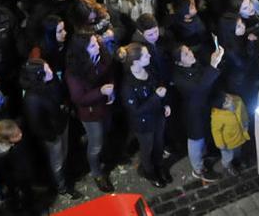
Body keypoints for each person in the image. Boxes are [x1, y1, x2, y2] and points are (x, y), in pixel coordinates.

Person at [20, 59, 82, 199]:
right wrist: (52, 136)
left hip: (61, 124)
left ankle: (66, 175)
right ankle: (62, 186)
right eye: (47, 69)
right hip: (53, 135)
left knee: (63, 154)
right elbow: (36, 125)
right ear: (38, 75)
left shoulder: (50, 81)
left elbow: (60, 95)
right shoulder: (31, 99)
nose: (50, 70)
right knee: (57, 162)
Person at [64, 33, 115, 193]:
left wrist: (111, 91)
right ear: (82, 51)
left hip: (105, 106)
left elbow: (109, 73)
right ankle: (97, 173)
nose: (98, 47)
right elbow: (78, 98)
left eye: (96, 43)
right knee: (95, 144)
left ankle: (106, 157)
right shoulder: (73, 72)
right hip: (91, 114)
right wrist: (101, 91)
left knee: (106, 134)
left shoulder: (101, 56)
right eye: (93, 45)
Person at [118, 43, 171, 188]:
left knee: (159, 144)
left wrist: (164, 103)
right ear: (135, 62)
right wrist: (156, 98)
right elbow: (135, 110)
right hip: (144, 123)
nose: (149, 56)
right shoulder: (127, 85)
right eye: (146, 55)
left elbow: (158, 86)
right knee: (147, 149)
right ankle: (149, 171)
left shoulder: (149, 70)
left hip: (158, 117)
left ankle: (159, 166)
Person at [171, 44, 223, 182]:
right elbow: (199, 88)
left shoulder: (193, 65)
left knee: (203, 136)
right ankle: (198, 169)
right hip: (194, 112)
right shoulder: (179, 77)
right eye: (186, 54)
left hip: (203, 107)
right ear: (179, 62)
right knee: (196, 140)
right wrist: (213, 65)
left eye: (189, 51)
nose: (191, 54)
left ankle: (205, 157)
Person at [211, 92, 250, 177]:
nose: (229, 100)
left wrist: (246, 123)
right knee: (228, 156)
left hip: (239, 135)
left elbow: (243, 112)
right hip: (227, 142)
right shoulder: (218, 116)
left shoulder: (237, 101)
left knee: (237, 151)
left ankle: (236, 162)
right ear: (221, 107)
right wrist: (220, 143)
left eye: (227, 97)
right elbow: (216, 131)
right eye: (225, 102)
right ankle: (227, 166)